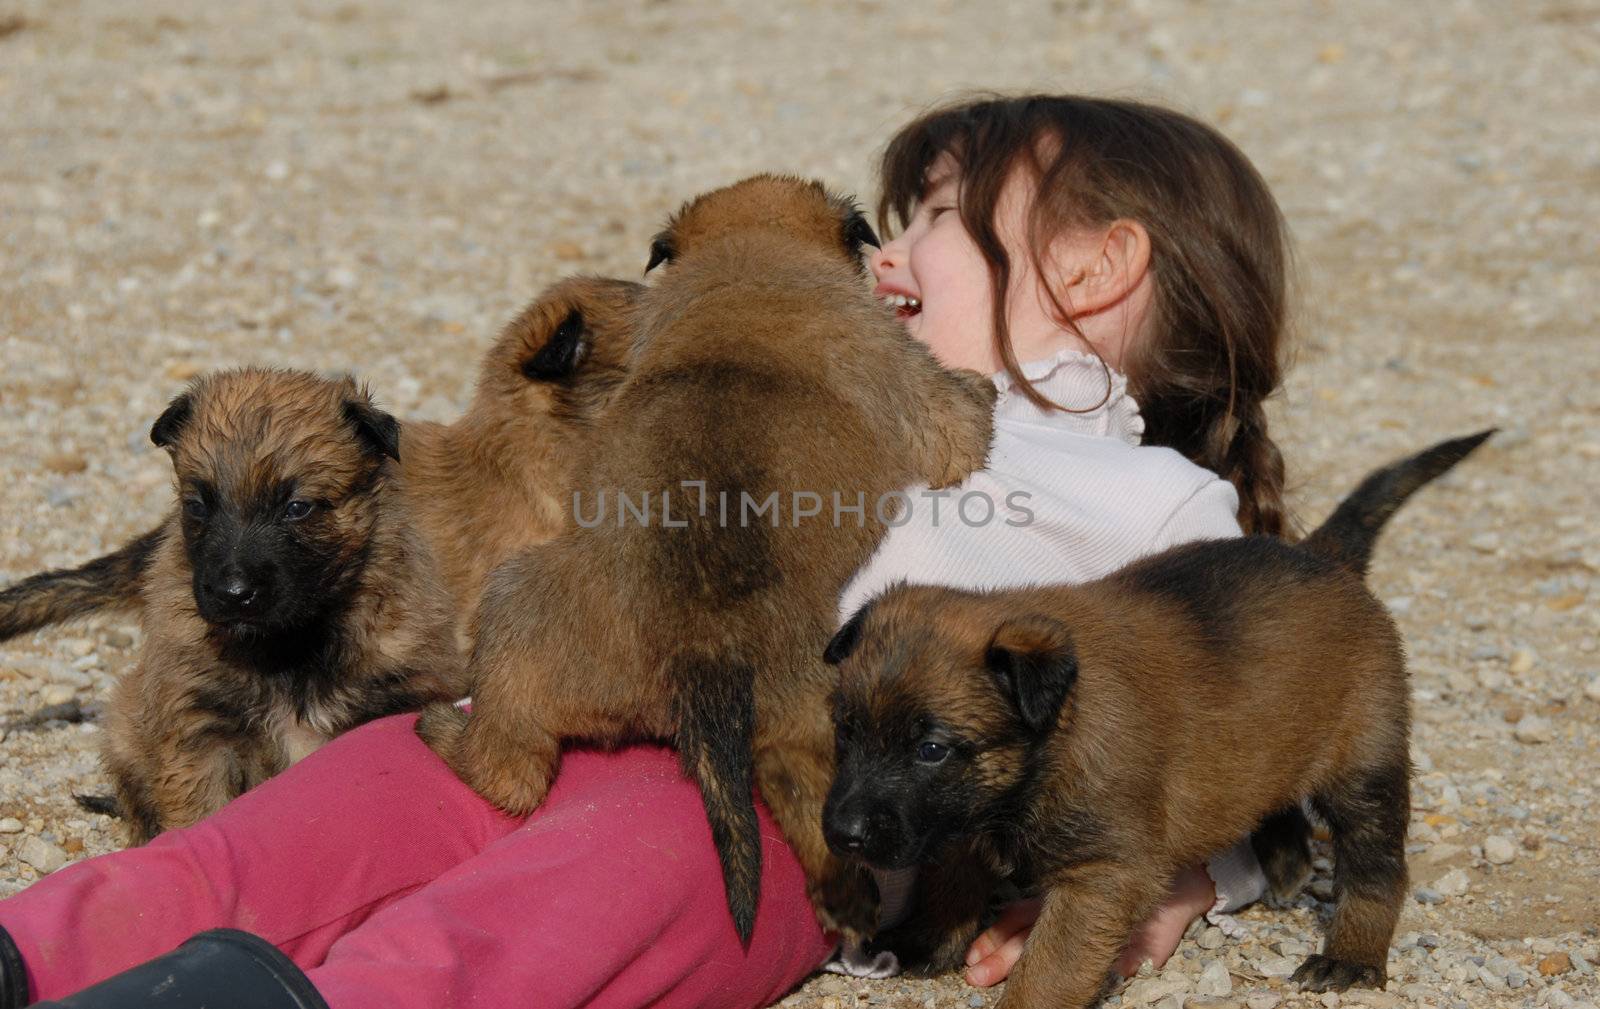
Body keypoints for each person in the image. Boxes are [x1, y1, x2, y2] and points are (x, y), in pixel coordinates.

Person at [0, 93, 1293, 1009]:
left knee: (512, 936)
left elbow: (1250, 715)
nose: (884, 253)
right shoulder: (805, 369)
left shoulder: (1157, 503)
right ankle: (31, 955)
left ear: (1097, 264)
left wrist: (1180, 879)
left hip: (774, 811)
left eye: (936, 215)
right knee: (268, 843)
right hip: (545, 707)